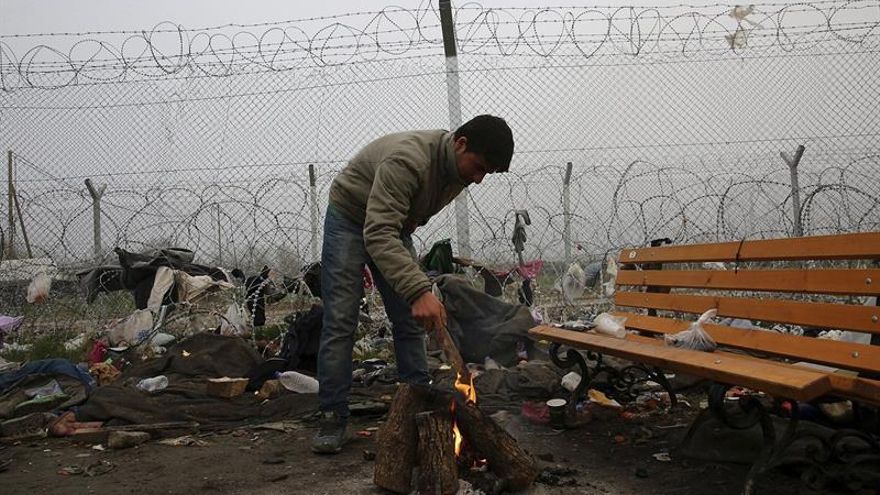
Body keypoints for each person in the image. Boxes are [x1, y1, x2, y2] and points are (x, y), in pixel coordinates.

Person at [312, 115, 514, 454]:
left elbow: (397, 223)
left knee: (409, 319)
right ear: (460, 143)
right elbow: (377, 232)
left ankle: (416, 405)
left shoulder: (457, 171)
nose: (478, 180)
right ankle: (333, 414)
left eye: (486, 174)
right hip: (350, 217)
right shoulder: (409, 160)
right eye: (478, 167)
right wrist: (419, 290)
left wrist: (415, 290)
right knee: (341, 321)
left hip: (392, 226)